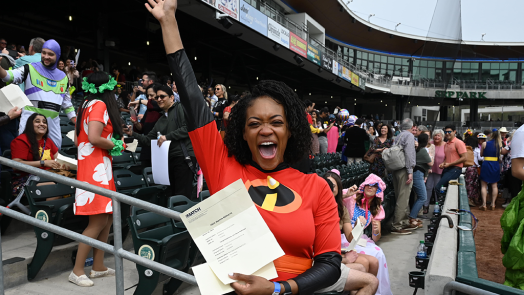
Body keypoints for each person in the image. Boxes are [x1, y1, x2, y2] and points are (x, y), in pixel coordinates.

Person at [147, 1, 377, 293]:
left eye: (276, 122)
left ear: (290, 131)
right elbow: (191, 97)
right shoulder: (223, 168)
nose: (266, 129)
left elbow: (329, 265)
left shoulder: (316, 188)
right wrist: (168, 21)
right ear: (242, 133)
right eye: (254, 123)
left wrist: (279, 289)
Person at [70, 72, 123, 287]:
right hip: (96, 168)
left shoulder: (86, 105)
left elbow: (77, 140)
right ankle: (77, 270)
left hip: (95, 165)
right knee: (99, 220)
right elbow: (93, 138)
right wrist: (116, 144)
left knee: (107, 219)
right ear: (106, 88)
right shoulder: (100, 104)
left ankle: (98, 266)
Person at [0, 39, 76, 149]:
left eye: (50, 54)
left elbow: (67, 104)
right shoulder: (29, 68)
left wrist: (75, 120)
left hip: (53, 128)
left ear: (58, 56)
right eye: (44, 53)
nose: (46, 56)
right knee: (26, 155)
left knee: (52, 159)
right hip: (30, 124)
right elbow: (8, 76)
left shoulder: (64, 77)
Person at [125, 84, 197, 198]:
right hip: (168, 160)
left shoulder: (180, 108)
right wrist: (132, 134)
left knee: (182, 195)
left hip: (184, 157)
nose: (159, 99)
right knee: (172, 195)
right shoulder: (161, 119)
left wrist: (167, 137)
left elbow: (188, 128)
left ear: (172, 98)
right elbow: (148, 140)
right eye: (157, 97)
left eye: (162, 96)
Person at [317, 171, 380, 294]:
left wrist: (357, 226)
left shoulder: (341, 208)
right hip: (327, 255)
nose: (330, 187)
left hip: (336, 250)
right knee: (363, 264)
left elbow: (350, 237)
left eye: (333, 185)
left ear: (338, 189)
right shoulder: (317, 207)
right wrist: (344, 258)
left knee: (374, 262)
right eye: (327, 184)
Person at [342, 173, 393, 295]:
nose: (370, 187)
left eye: (374, 186)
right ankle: (361, 288)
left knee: (378, 253)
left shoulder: (376, 208)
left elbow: (376, 238)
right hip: (344, 236)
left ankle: (370, 290)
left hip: (360, 238)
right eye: (368, 185)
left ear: (378, 190)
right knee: (366, 258)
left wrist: (376, 231)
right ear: (364, 186)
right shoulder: (352, 197)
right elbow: (334, 195)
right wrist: (347, 193)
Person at [10, 113, 64, 197]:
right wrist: (43, 163)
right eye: (37, 121)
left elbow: (59, 159)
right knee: (54, 187)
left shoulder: (48, 141)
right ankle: (47, 210)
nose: (42, 124)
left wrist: (65, 165)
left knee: (72, 182)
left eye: (44, 122)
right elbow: (16, 165)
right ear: (30, 125)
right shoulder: (21, 140)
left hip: (48, 176)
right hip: (26, 181)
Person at [390, 118, 416, 235]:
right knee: (403, 198)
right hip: (404, 169)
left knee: (400, 196)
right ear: (411, 127)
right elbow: (409, 154)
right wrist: (410, 171)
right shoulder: (409, 136)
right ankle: (397, 225)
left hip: (396, 168)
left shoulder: (398, 135)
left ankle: (404, 221)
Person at [434, 125, 467, 193]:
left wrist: (450, 164)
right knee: (443, 189)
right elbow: (447, 157)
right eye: (445, 132)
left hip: (455, 169)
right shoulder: (447, 143)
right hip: (447, 169)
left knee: (438, 187)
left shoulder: (458, 142)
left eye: (449, 132)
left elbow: (464, 158)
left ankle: (439, 203)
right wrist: (443, 163)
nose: (447, 133)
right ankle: (441, 203)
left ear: (454, 132)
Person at [408, 133, 431, 228]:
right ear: (426, 141)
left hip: (417, 173)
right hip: (417, 173)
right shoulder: (422, 150)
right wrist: (431, 155)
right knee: (423, 197)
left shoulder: (417, 149)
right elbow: (431, 163)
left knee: (419, 196)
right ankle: (412, 218)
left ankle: (412, 217)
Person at [423, 129, 445, 214]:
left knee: (437, 188)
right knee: (428, 187)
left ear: (442, 137)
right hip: (430, 169)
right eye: (435, 135)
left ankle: (438, 206)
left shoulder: (445, 145)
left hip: (440, 169)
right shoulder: (430, 144)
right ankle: (426, 205)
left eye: (438, 135)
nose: (436, 137)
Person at [479, 130, 502, 210]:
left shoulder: (485, 143)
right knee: (494, 185)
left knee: (484, 185)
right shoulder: (499, 144)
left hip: (486, 164)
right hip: (495, 164)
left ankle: (484, 204)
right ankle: (493, 204)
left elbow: (481, 154)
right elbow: (500, 157)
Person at [464, 135, 480, 206]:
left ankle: (470, 198)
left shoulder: (465, 148)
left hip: (467, 168)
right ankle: (470, 199)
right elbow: (480, 158)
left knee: (468, 184)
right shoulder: (476, 149)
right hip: (473, 168)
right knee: (473, 184)